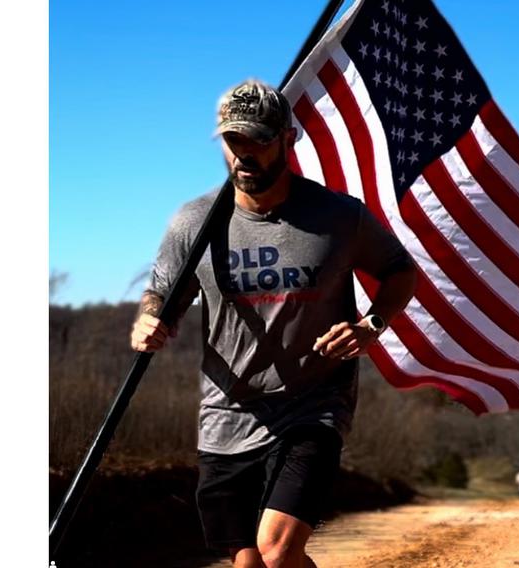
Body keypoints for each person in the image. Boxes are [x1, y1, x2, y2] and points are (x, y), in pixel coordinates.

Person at [130, 79, 417, 568]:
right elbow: (164, 293)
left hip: (313, 405)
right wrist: (149, 322)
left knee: (276, 551)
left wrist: (371, 323)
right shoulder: (194, 222)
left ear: (288, 139)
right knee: (250, 562)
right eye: (232, 140)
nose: (243, 154)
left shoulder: (337, 216)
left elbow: (400, 272)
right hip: (227, 412)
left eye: (258, 140)